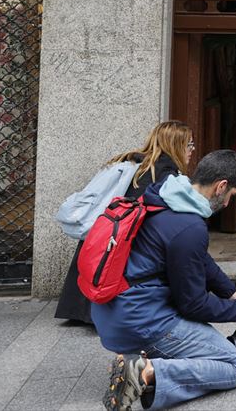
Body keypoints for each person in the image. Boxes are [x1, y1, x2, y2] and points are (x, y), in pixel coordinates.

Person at [93, 149, 236, 411]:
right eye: (232, 194)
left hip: (112, 313)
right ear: (221, 187)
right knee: (235, 366)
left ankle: (139, 359)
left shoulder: (165, 194)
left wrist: (233, 294)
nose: (229, 203)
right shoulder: (189, 227)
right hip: (141, 321)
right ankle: (146, 370)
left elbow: (199, 260)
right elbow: (193, 305)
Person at [54, 121, 194, 324]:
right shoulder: (162, 173)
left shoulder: (132, 162)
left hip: (102, 235)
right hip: (124, 242)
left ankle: (81, 312)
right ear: (176, 145)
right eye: (189, 145)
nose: (192, 150)